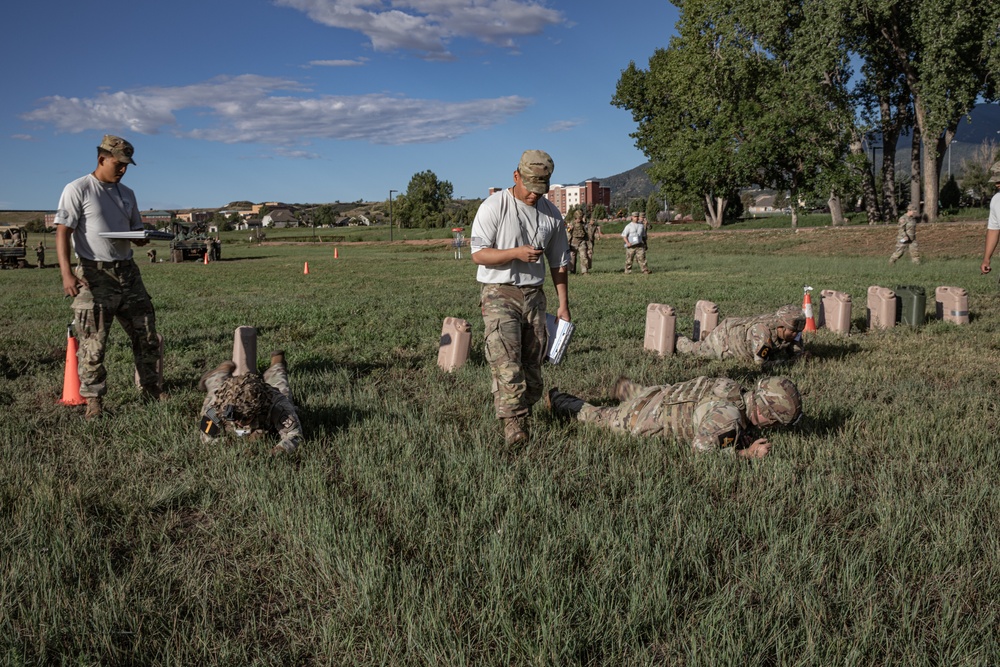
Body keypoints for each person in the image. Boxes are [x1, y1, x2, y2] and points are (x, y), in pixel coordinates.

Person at [54, 134, 163, 420]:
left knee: (146, 333)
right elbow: (63, 232)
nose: (123, 169)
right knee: (94, 342)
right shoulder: (78, 189)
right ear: (102, 159)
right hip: (94, 273)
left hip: (128, 271)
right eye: (119, 164)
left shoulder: (127, 193)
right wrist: (67, 274)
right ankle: (94, 401)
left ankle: (151, 388)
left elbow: (134, 229)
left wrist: (141, 237)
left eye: (127, 165)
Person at [470, 149, 571, 446]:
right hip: (499, 292)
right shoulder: (494, 206)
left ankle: (526, 406)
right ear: (516, 176)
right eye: (530, 187)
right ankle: (514, 426)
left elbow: (559, 263)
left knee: (533, 369)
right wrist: (515, 253)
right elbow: (479, 254)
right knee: (507, 363)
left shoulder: (551, 214)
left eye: (541, 189)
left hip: (534, 296)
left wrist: (563, 304)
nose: (534, 194)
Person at [547, 375, 801, 460]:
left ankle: (628, 390)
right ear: (765, 413)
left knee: (636, 397)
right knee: (597, 416)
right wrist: (747, 454)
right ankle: (558, 400)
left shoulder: (733, 390)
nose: (773, 427)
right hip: (645, 418)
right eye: (775, 422)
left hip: (660, 393)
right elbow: (701, 451)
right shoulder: (727, 418)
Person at [198, 350, 303, 454]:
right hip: (223, 397)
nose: (239, 423)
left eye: (245, 419)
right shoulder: (217, 405)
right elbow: (207, 438)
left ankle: (277, 365)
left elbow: (295, 436)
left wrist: (272, 453)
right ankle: (218, 374)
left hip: (269, 401)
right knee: (215, 388)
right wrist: (229, 444)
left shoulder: (277, 404)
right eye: (235, 417)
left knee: (281, 387)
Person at [675, 304, 806, 366]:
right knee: (697, 351)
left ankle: (707, 336)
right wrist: (786, 362)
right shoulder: (763, 332)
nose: (796, 334)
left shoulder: (791, 332)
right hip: (725, 340)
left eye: (798, 331)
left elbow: (796, 351)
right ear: (780, 327)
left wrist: (800, 355)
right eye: (793, 331)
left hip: (737, 332)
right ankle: (677, 339)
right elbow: (761, 363)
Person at [979, 167, 1000, 275]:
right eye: (996, 181)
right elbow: (993, 230)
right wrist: (986, 259)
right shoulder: (996, 200)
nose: (997, 185)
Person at [565, 209, 588, 274]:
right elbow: (568, 233)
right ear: (575, 217)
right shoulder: (571, 224)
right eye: (578, 218)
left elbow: (587, 233)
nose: (579, 219)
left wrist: (588, 243)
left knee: (583, 256)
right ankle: (572, 270)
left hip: (582, 242)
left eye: (580, 218)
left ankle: (584, 271)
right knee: (572, 257)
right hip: (573, 243)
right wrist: (568, 243)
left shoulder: (583, 224)